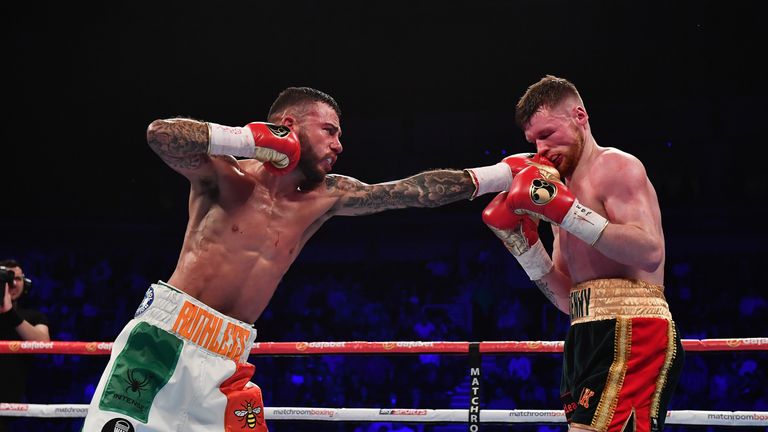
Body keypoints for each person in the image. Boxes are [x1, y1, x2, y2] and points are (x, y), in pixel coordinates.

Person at [82, 86, 547, 431]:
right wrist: (249, 141)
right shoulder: (225, 175)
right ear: (288, 122)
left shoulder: (326, 195)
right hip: (164, 339)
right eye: (329, 130)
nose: (339, 144)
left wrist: (500, 174)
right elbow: (160, 135)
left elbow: (410, 192)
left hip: (228, 359)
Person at [482, 75, 684, 432]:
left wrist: (569, 213)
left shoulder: (617, 167)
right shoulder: (556, 190)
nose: (540, 149)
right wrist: (525, 247)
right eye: (532, 141)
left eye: (547, 134)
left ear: (579, 116)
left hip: (633, 326)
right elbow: (566, 297)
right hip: (583, 331)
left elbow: (649, 250)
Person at [0, 259, 50, 432]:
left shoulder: (34, 317)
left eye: (18, 278)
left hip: (16, 410)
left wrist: (9, 313)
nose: (13, 283)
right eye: (7, 277)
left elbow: (44, 345)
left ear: (26, 284)